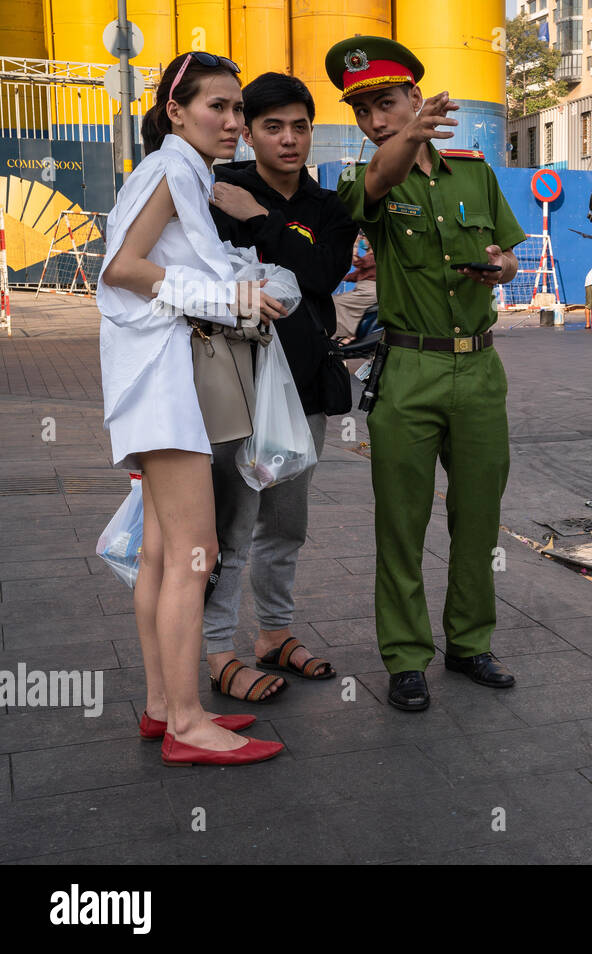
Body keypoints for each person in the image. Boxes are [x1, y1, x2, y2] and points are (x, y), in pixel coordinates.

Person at [326, 37, 528, 710]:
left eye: (388, 104)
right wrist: (405, 139)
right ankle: (406, 658)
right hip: (408, 369)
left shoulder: (473, 171)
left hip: (478, 367)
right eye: (363, 112)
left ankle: (470, 644)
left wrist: (500, 268)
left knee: (477, 519)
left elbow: (511, 259)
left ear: (416, 94)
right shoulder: (366, 179)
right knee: (402, 522)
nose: (376, 121)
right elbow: (378, 182)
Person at [98, 51, 285, 766]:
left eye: (239, 108)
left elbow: (159, 265)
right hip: (165, 385)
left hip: (151, 385)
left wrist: (239, 279)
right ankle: (185, 721)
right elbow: (124, 271)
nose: (234, 121)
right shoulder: (173, 168)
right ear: (176, 111)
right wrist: (231, 297)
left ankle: (161, 706)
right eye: (220, 107)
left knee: (159, 554)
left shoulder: (177, 170)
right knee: (192, 555)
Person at [204, 71, 357, 702]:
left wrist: (264, 221)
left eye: (299, 126)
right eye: (272, 127)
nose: (288, 139)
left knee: (285, 525)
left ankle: (273, 634)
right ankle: (217, 651)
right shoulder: (219, 190)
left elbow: (321, 273)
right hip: (235, 389)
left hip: (304, 387)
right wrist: (260, 218)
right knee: (231, 529)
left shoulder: (329, 207)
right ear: (248, 131)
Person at [333, 231, 378, 343]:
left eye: (365, 238)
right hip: (363, 290)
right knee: (339, 300)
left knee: (338, 301)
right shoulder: (369, 258)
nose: (364, 240)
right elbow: (354, 275)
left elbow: (356, 262)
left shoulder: (374, 257)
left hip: (368, 291)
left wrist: (356, 244)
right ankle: (345, 334)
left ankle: (345, 334)